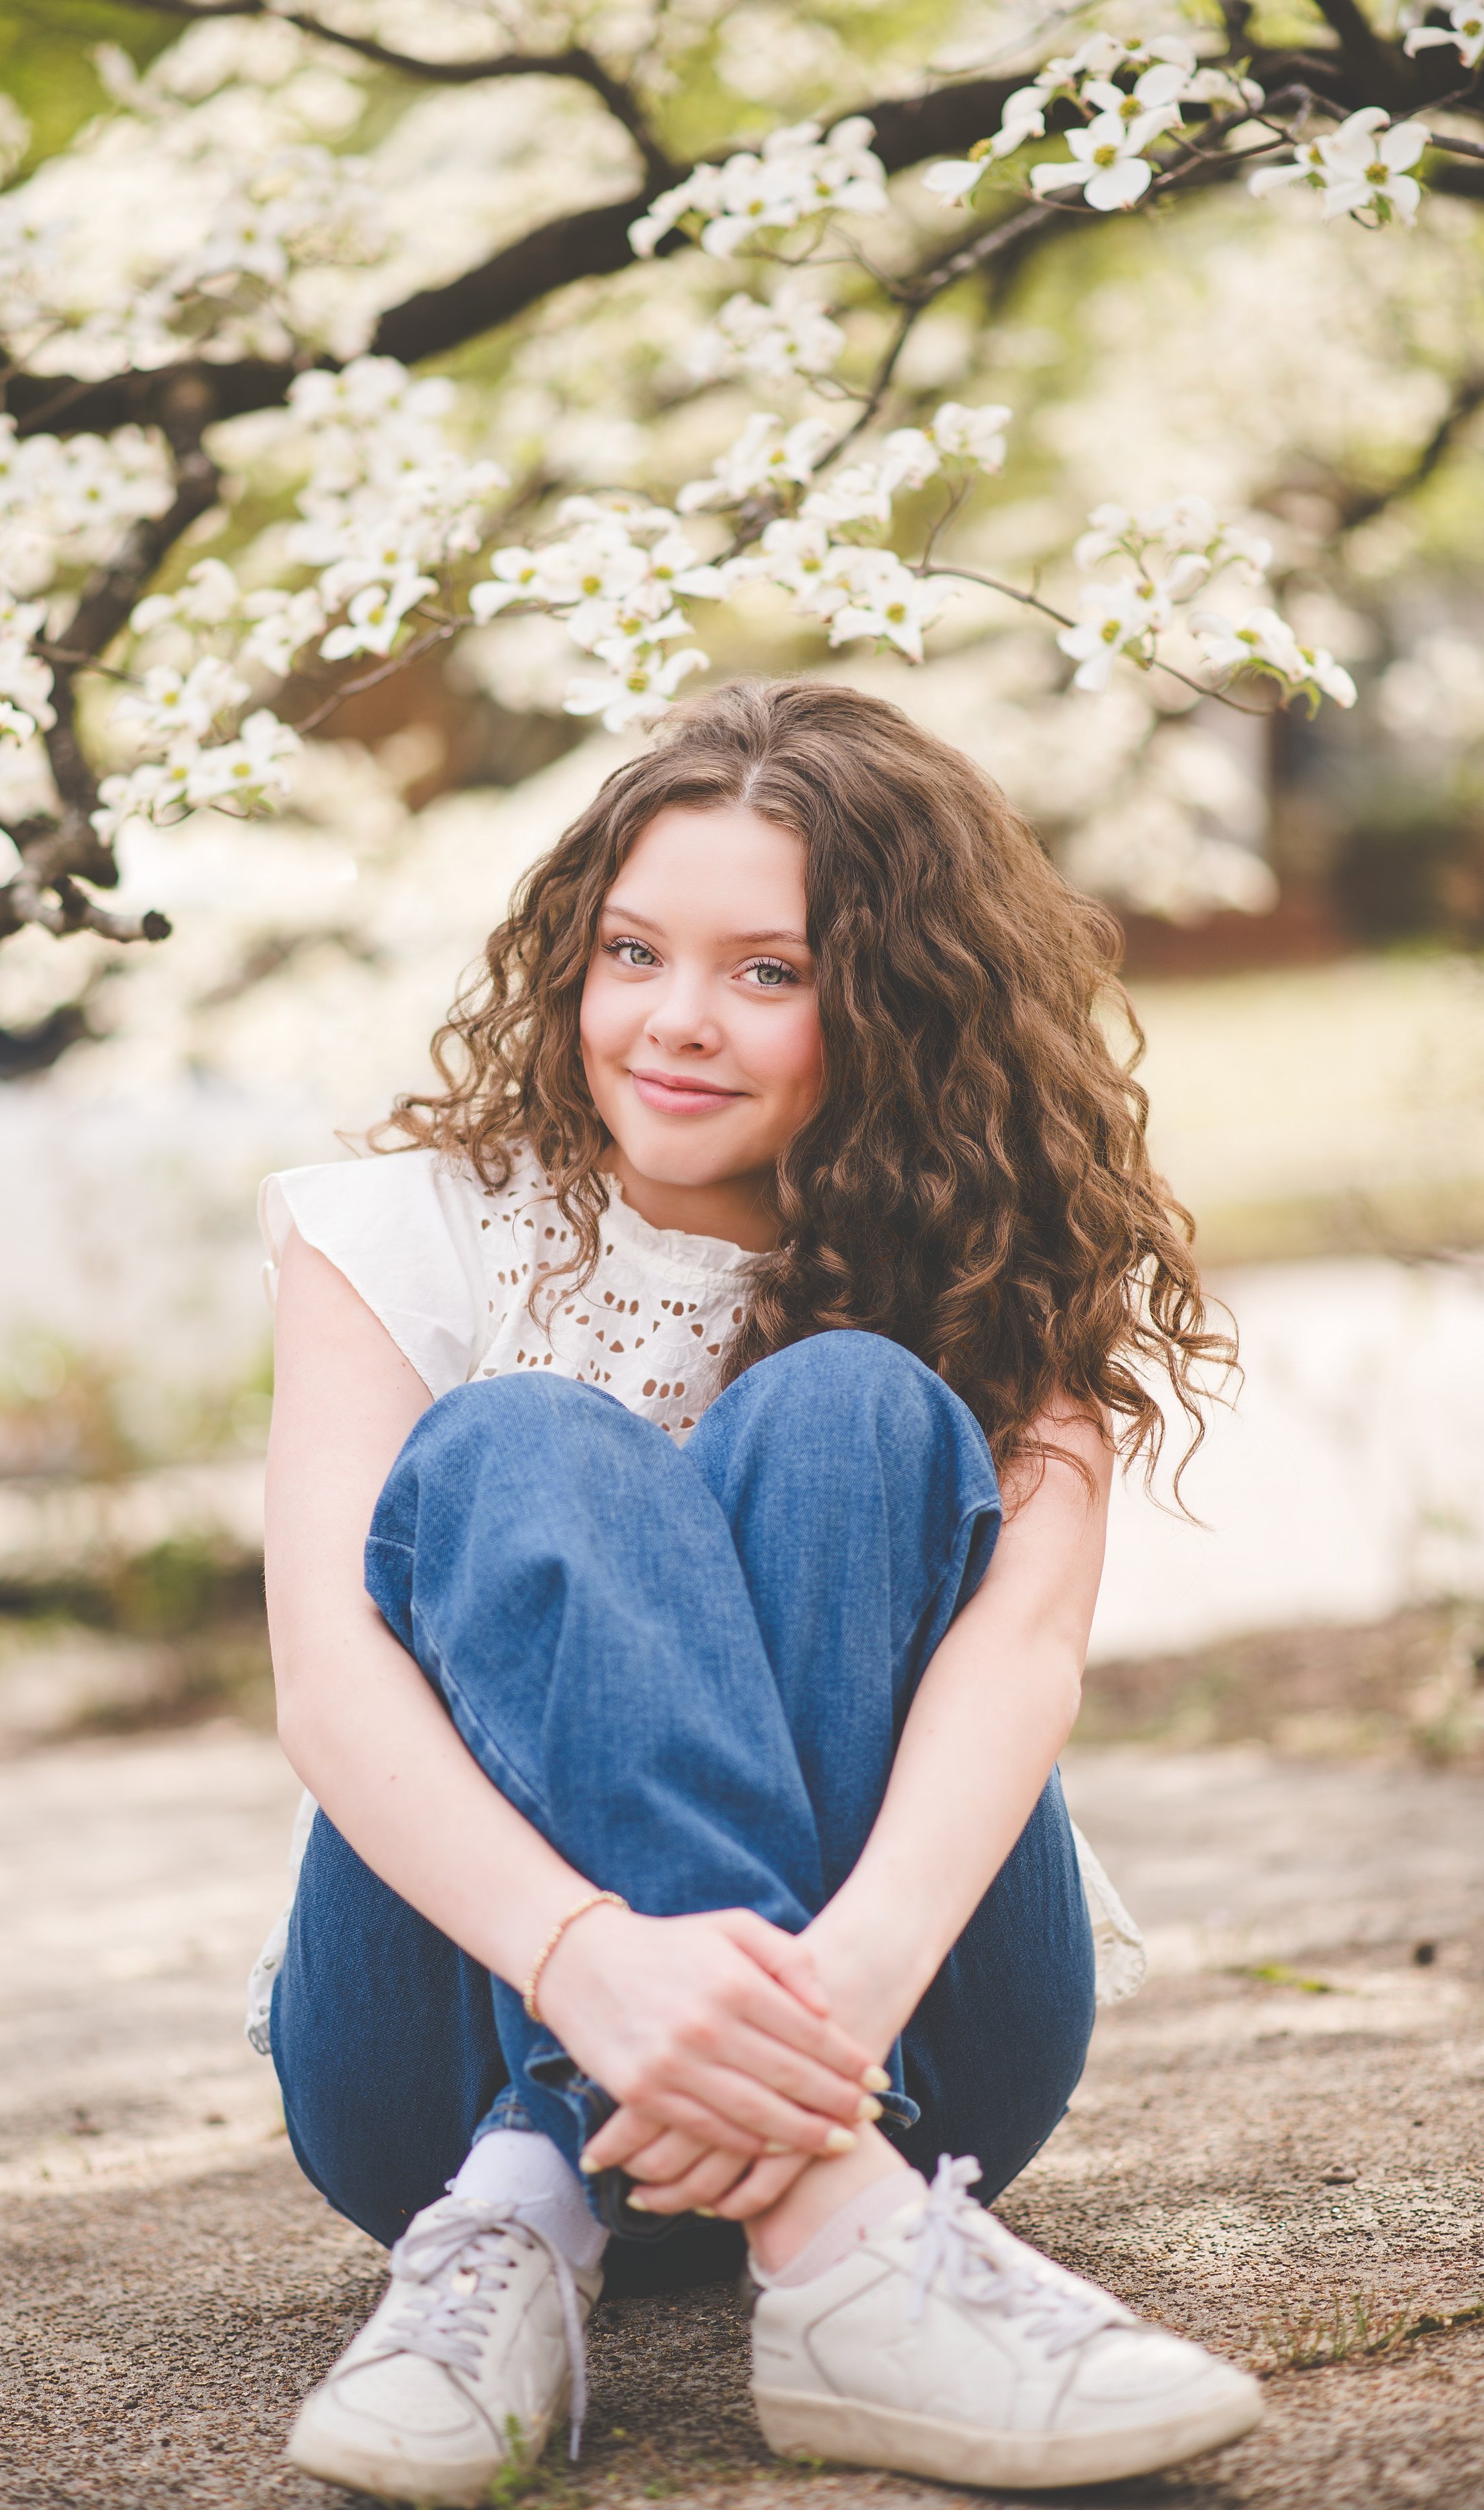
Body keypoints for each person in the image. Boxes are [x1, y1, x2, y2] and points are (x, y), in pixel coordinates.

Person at [256, 679, 1260, 2501]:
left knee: (851, 1408)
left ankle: (617, 2177)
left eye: (766, 973)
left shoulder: (998, 1260)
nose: (672, 1023)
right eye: (630, 952)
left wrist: (839, 1997)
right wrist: (592, 1965)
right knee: (518, 1448)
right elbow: (332, 1687)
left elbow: (1018, 1666)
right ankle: (817, 2238)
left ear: (892, 1008)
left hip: (911, 2028)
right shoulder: (399, 1233)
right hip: (428, 2041)